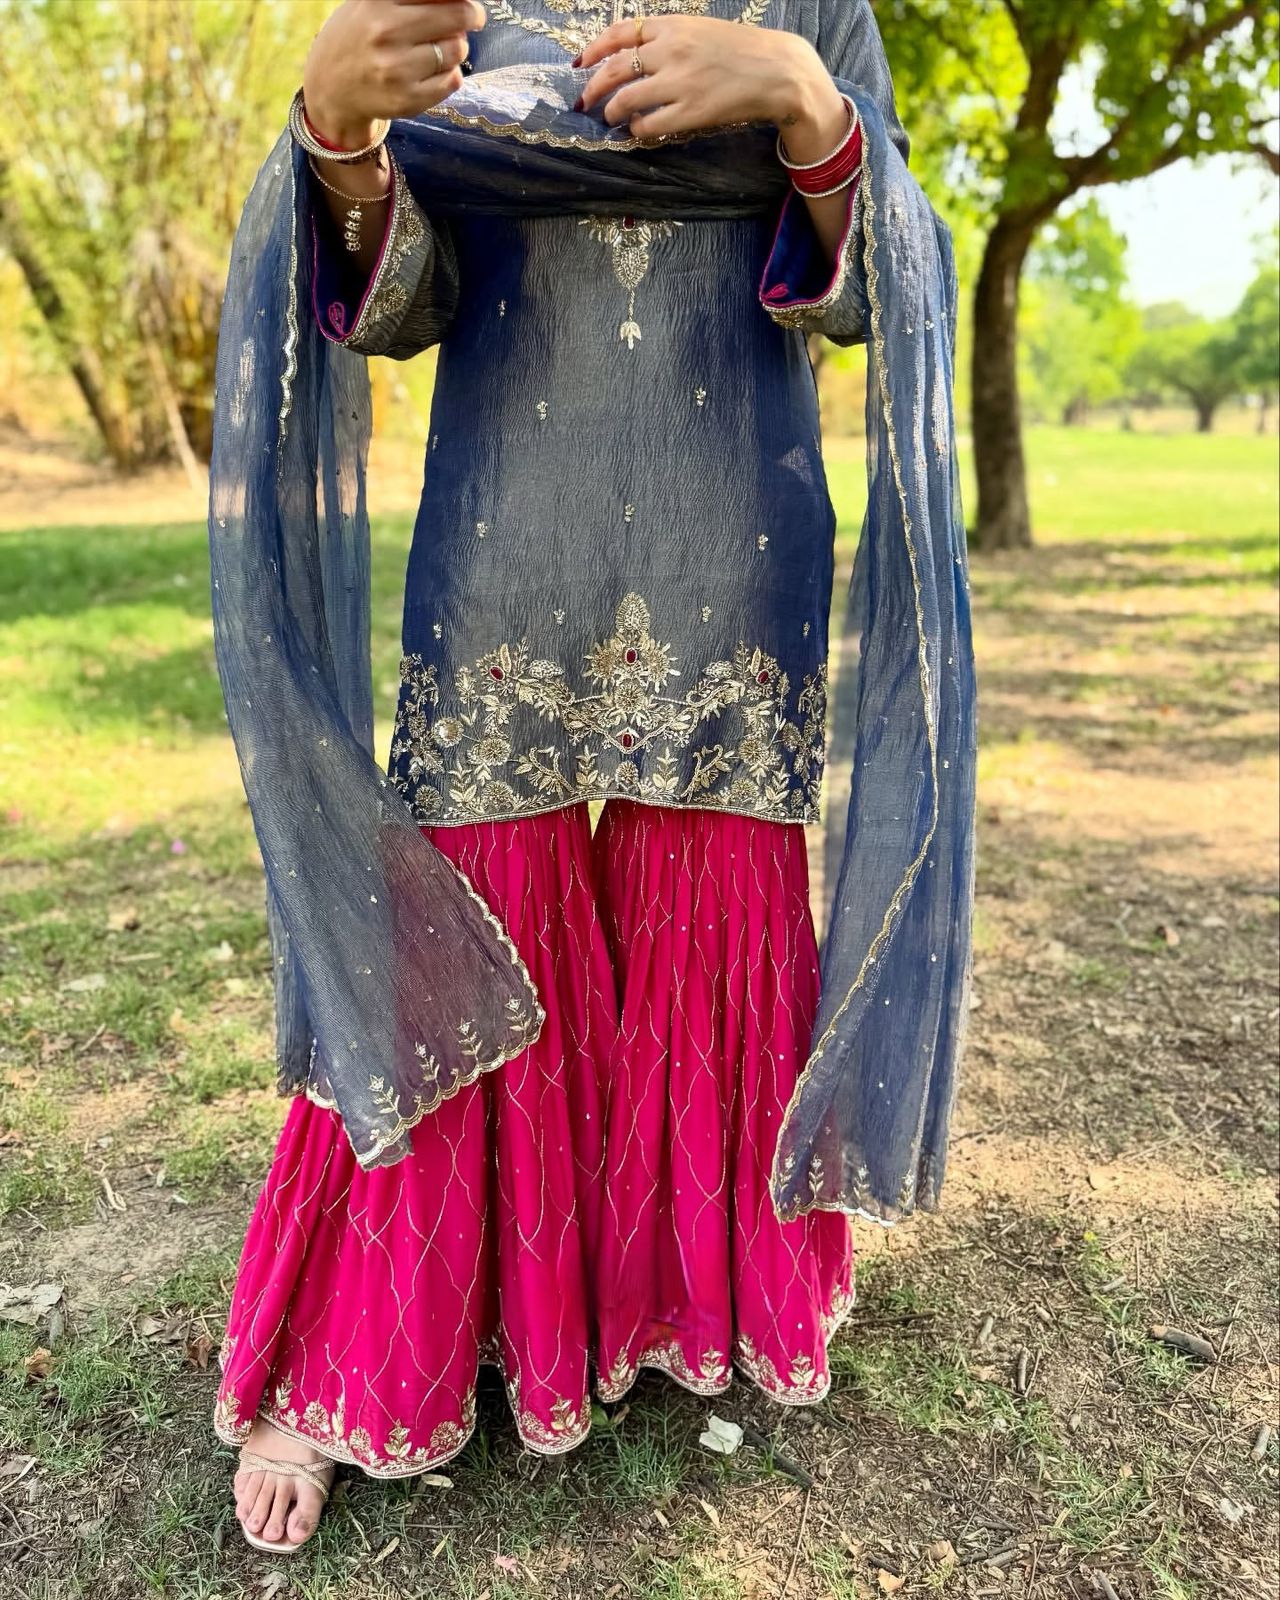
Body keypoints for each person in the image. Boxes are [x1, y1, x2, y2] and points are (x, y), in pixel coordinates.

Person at [206, 0, 974, 1556]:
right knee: (473, 900)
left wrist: (805, 98)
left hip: (731, 529)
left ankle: (664, 1299)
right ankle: (378, 1330)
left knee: (715, 905)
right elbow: (400, 301)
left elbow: (872, 290)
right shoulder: (465, 3)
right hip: (507, 534)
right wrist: (336, 138)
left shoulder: (813, 6)